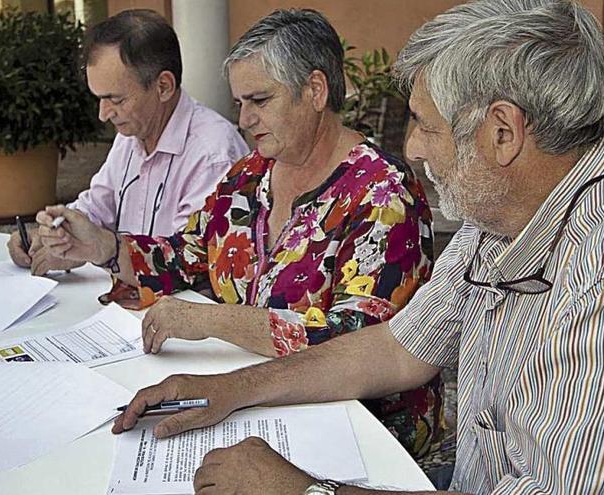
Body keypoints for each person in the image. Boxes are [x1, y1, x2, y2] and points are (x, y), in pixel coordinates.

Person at [106, 1, 604, 494]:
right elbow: (399, 347)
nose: (412, 149)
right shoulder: (496, 217)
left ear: (502, 133)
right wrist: (227, 389)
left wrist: (304, 491)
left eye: (425, 125)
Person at [38, 9, 444, 459]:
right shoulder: (253, 173)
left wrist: (210, 320)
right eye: (240, 104)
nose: (245, 119)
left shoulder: (382, 193)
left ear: (314, 90)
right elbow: (187, 254)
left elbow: (361, 343)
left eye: (259, 101)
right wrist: (105, 246)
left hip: (354, 432)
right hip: (249, 400)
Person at [7, 9, 248, 275]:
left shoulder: (213, 154)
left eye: (116, 100)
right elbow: (97, 205)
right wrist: (53, 233)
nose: (103, 114)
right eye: (99, 98)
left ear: (164, 87)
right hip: (127, 299)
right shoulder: (133, 132)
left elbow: (189, 263)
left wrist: (99, 251)